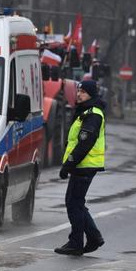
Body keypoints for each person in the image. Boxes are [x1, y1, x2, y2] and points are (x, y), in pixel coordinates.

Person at [54, 79, 106, 256]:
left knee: (74, 203)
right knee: (76, 202)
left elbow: (85, 143)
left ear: (91, 94)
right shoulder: (85, 111)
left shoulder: (93, 114)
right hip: (82, 165)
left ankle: (76, 242)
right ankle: (93, 237)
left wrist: (68, 164)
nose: (79, 94)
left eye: (83, 92)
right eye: (78, 91)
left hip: (85, 165)